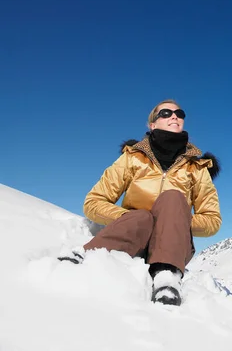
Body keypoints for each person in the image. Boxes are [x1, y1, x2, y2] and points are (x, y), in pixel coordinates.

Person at [59, 99, 222, 306]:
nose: (174, 116)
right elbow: (93, 202)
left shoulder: (197, 168)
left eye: (179, 113)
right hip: (133, 232)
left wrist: (174, 221)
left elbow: (212, 219)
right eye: (165, 113)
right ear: (152, 124)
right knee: (142, 217)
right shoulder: (133, 158)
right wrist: (127, 216)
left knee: (173, 198)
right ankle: (88, 255)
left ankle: (166, 278)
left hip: (173, 245)